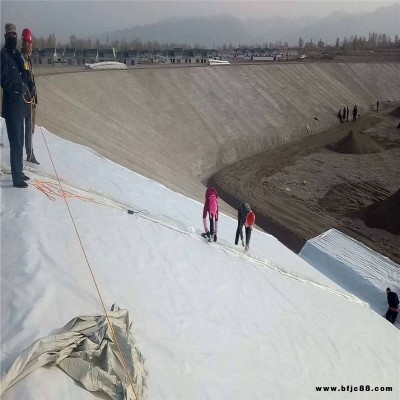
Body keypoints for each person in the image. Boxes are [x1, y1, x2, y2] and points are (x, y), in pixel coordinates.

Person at [1, 23, 29, 188]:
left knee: (20, 139)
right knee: (15, 142)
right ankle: (16, 178)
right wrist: (17, 87)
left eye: (15, 35)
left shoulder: (16, 54)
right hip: (12, 106)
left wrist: (28, 84)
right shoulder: (3, 56)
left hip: (21, 105)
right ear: (6, 37)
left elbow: (23, 73)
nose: (13, 37)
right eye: (10, 35)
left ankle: (20, 171)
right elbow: (3, 80)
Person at [21, 28, 39, 165]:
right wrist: (29, 94)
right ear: (23, 43)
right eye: (26, 42)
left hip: (30, 99)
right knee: (27, 127)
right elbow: (24, 80)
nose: (29, 45)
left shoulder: (28, 59)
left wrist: (34, 96)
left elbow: (31, 79)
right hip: (25, 99)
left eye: (30, 43)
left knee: (30, 127)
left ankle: (30, 152)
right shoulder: (21, 59)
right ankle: (29, 154)